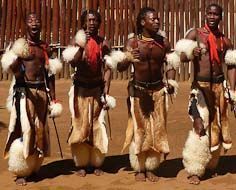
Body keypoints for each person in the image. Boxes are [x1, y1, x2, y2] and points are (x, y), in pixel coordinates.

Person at [175, 3, 236, 185]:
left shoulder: (225, 40)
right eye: (209, 13)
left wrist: (232, 90)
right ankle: (194, 168)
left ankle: (210, 164)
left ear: (220, 17)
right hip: (200, 88)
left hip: (219, 87)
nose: (211, 16)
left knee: (215, 125)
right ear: (205, 15)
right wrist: (191, 52)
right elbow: (181, 55)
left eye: (215, 14)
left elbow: (232, 65)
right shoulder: (195, 34)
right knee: (199, 123)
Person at [116, 7, 179, 182]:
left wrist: (171, 81)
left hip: (158, 91)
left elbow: (171, 64)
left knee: (156, 129)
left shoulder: (163, 42)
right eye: (153, 19)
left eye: (158, 19)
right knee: (140, 129)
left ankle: (151, 166)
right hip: (138, 91)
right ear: (143, 22)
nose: (157, 22)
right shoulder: (133, 43)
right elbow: (120, 67)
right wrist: (128, 57)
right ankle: (139, 168)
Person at [1, 13, 62, 186]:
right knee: (23, 129)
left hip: (41, 92)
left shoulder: (44, 47)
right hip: (24, 93)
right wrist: (14, 65)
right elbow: (14, 69)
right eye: (31, 21)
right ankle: (21, 169)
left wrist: (54, 99)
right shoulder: (20, 46)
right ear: (25, 25)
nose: (34, 23)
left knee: (39, 129)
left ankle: (33, 166)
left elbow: (50, 74)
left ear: (41, 25)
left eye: (37, 21)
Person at [63, 10, 116, 177]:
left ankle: (96, 161)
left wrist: (106, 92)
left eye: (94, 20)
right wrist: (81, 45)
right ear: (83, 23)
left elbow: (108, 68)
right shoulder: (76, 41)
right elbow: (73, 63)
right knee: (79, 125)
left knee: (97, 125)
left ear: (98, 23)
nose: (91, 23)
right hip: (80, 89)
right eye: (88, 20)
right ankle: (81, 163)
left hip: (97, 89)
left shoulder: (103, 43)